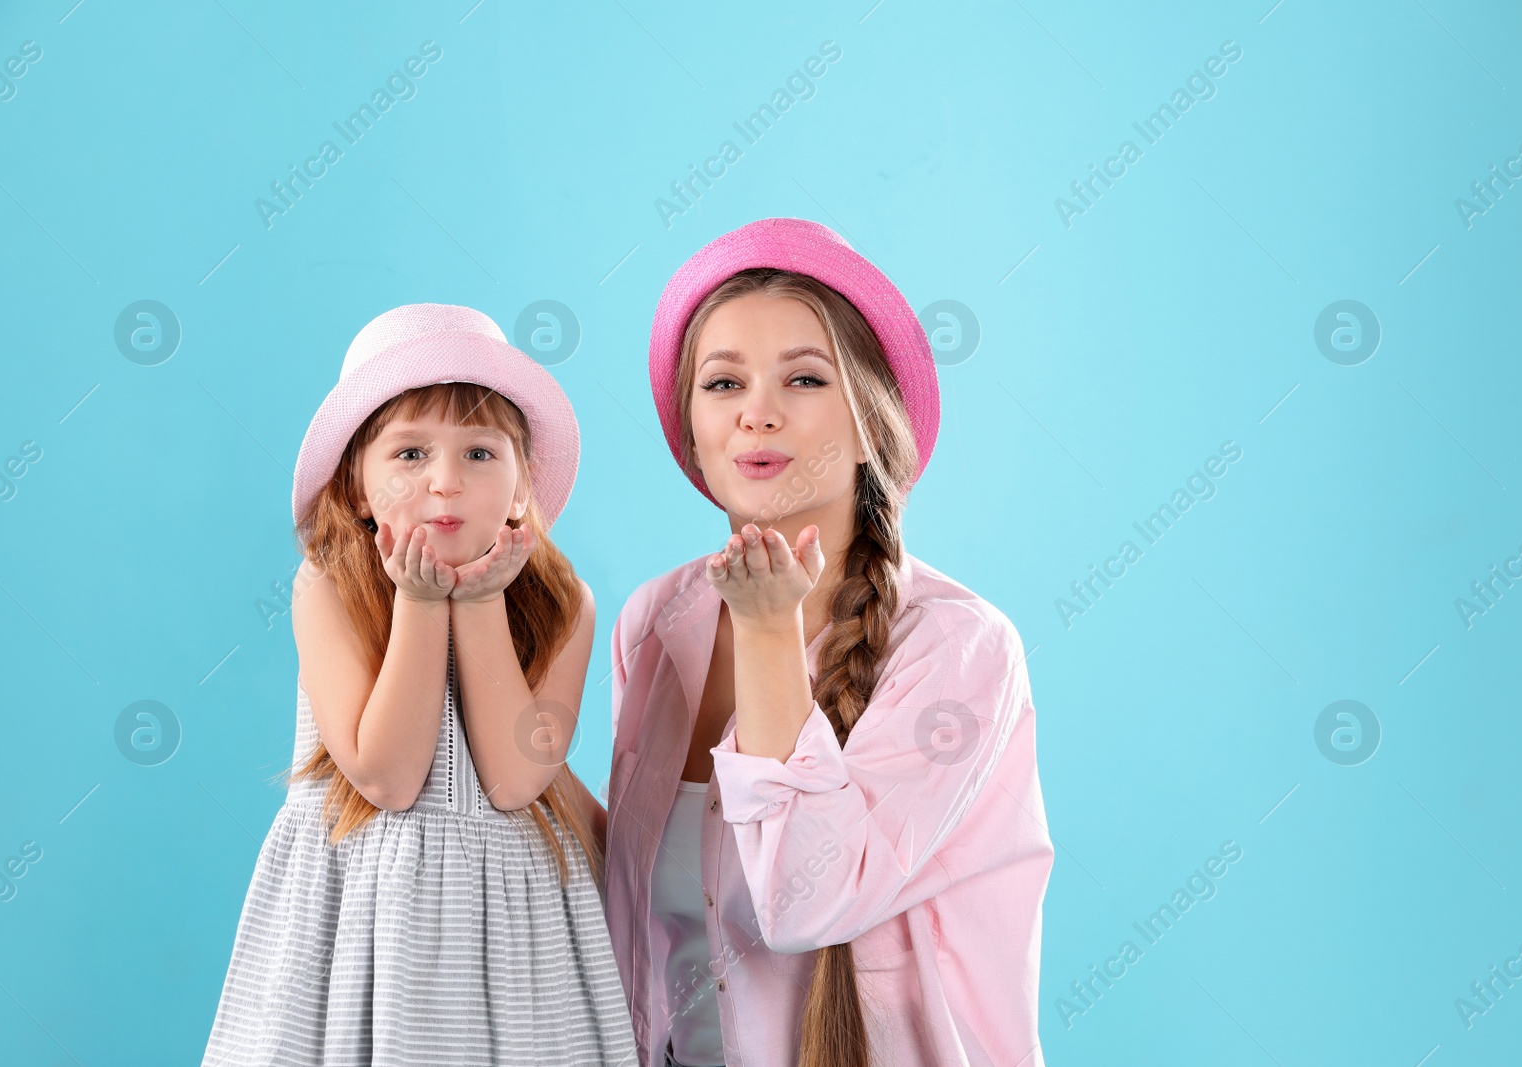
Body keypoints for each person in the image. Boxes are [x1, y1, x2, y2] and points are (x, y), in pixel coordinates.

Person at [602, 218, 1054, 1067]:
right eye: (723, 383)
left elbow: (807, 903)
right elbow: (636, 916)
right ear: (692, 431)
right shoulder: (659, 622)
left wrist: (771, 632)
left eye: (804, 379)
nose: (757, 415)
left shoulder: (960, 649)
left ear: (870, 420)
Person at [201, 303, 637, 1065]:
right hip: (365, 922)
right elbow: (390, 774)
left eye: (479, 453)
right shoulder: (329, 585)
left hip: (515, 932)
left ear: (520, 483)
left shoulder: (565, 601)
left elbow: (512, 778)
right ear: (359, 488)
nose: (445, 483)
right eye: (409, 454)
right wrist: (419, 601)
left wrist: (477, 600)